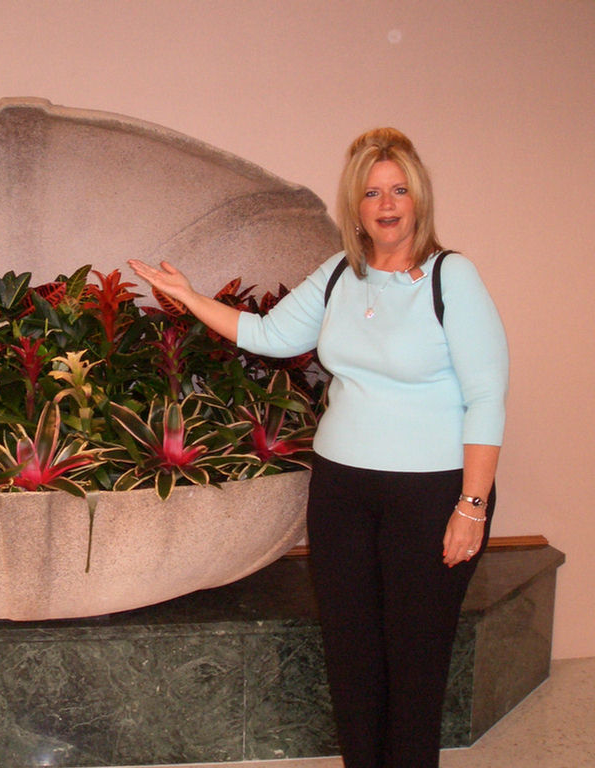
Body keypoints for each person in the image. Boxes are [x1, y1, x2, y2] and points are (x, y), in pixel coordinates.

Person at [128, 127, 508, 768]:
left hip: (433, 493)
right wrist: (190, 298)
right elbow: (270, 334)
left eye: (399, 190)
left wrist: (472, 505)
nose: (387, 205)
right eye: (372, 193)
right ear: (354, 206)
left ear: (419, 198)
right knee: (351, 654)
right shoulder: (339, 275)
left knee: (415, 661)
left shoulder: (453, 278)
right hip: (342, 490)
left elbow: (488, 398)